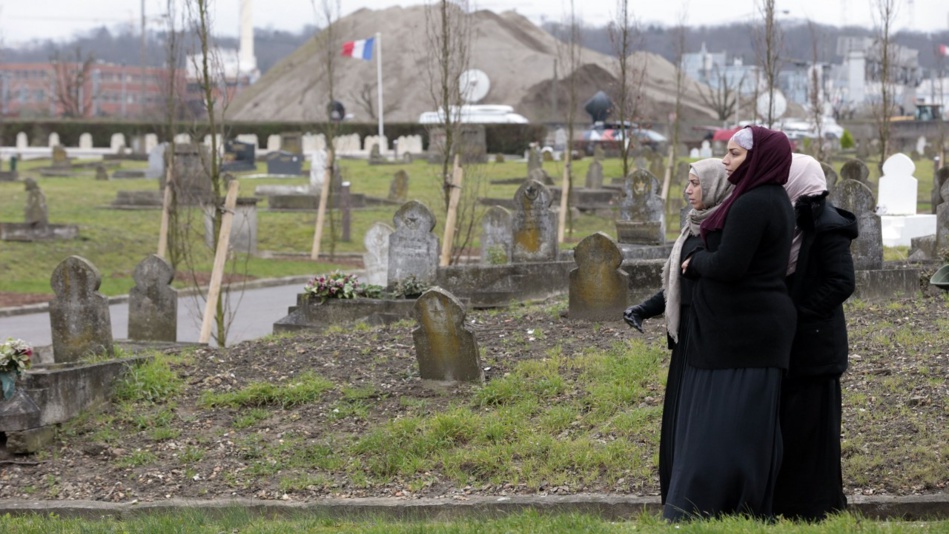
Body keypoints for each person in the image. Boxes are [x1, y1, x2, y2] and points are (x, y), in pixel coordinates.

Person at [663, 125, 796, 521]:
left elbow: (731, 264)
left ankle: (709, 505)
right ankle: (727, 505)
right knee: (735, 426)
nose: (725, 160)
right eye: (727, 152)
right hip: (740, 333)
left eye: (735, 154)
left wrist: (696, 262)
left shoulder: (755, 203)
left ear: (758, 159)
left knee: (723, 427)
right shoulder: (764, 198)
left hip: (742, 335)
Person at [623, 159, 734, 504]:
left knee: (699, 418)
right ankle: (675, 491)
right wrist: (644, 308)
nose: (688, 191)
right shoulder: (691, 228)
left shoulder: (722, 230)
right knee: (678, 416)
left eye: (696, 184)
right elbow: (677, 286)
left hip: (710, 337)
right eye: (688, 183)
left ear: (716, 186)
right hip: (685, 336)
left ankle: (698, 494)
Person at [773, 154, 857, 521]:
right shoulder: (790, 221)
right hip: (790, 343)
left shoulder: (826, 224)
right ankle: (789, 504)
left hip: (817, 345)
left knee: (815, 431)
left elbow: (841, 282)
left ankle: (816, 507)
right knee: (792, 427)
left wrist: (798, 313)